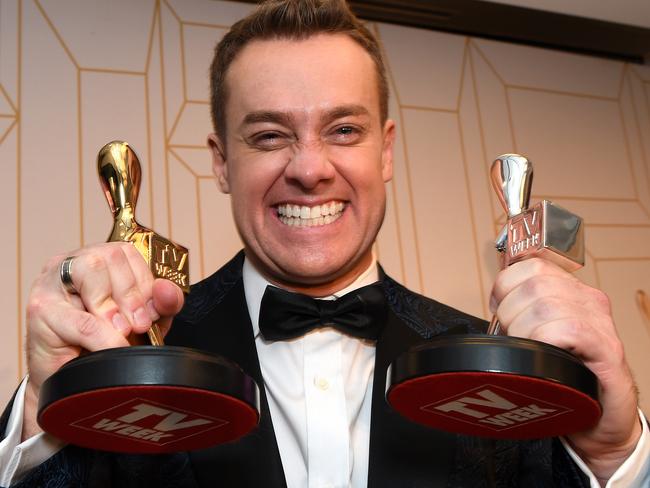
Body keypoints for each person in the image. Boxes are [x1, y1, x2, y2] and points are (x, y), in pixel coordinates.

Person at [1, 0, 648, 486]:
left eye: (342, 129)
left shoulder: (501, 363)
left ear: (386, 150)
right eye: (269, 136)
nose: (310, 168)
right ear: (222, 162)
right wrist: (40, 414)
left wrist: (618, 454)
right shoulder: (127, 359)